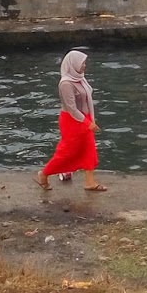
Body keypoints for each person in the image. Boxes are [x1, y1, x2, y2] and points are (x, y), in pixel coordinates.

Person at [37, 50, 106, 191]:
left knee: (89, 149)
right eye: (82, 63)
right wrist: (88, 123)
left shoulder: (80, 78)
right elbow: (72, 108)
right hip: (72, 121)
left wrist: (89, 119)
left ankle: (90, 181)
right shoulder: (66, 84)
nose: (85, 66)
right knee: (67, 152)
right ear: (73, 64)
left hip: (84, 119)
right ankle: (44, 173)